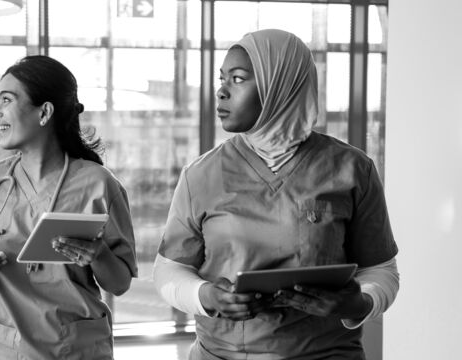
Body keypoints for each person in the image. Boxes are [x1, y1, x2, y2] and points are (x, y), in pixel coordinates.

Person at [153, 29, 399, 359]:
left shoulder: (352, 169)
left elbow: (381, 270)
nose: (222, 91)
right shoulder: (200, 175)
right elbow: (169, 270)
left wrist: (359, 303)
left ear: (280, 86)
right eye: (222, 78)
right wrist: (207, 296)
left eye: (238, 79)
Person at [0, 55, 137, 359]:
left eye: (6, 100)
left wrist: (97, 254)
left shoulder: (99, 185)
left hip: (70, 348)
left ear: (44, 112)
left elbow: (120, 283)